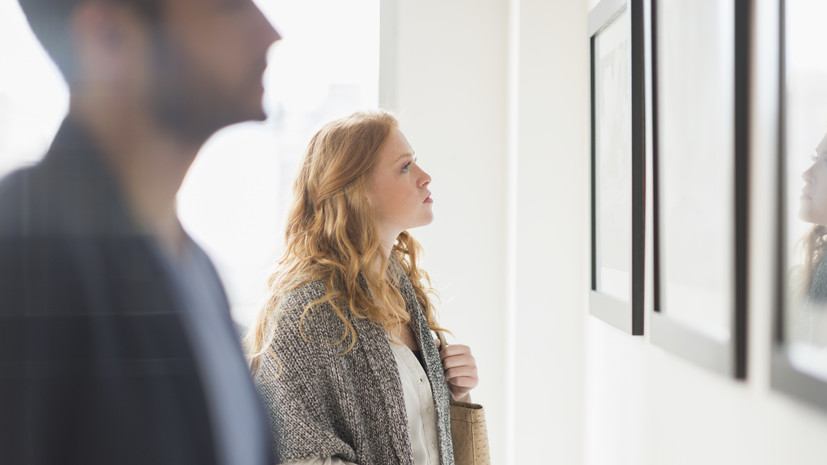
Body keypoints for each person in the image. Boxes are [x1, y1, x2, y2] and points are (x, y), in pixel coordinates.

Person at [0, 1, 280, 464]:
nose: (270, 32)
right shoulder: (23, 250)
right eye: (229, 6)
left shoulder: (194, 268)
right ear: (109, 36)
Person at [247, 110, 479, 465]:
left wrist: (454, 394)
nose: (425, 176)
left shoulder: (403, 290)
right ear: (357, 191)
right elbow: (294, 452)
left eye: (416, 162)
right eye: (405, 167)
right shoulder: (306, 313)